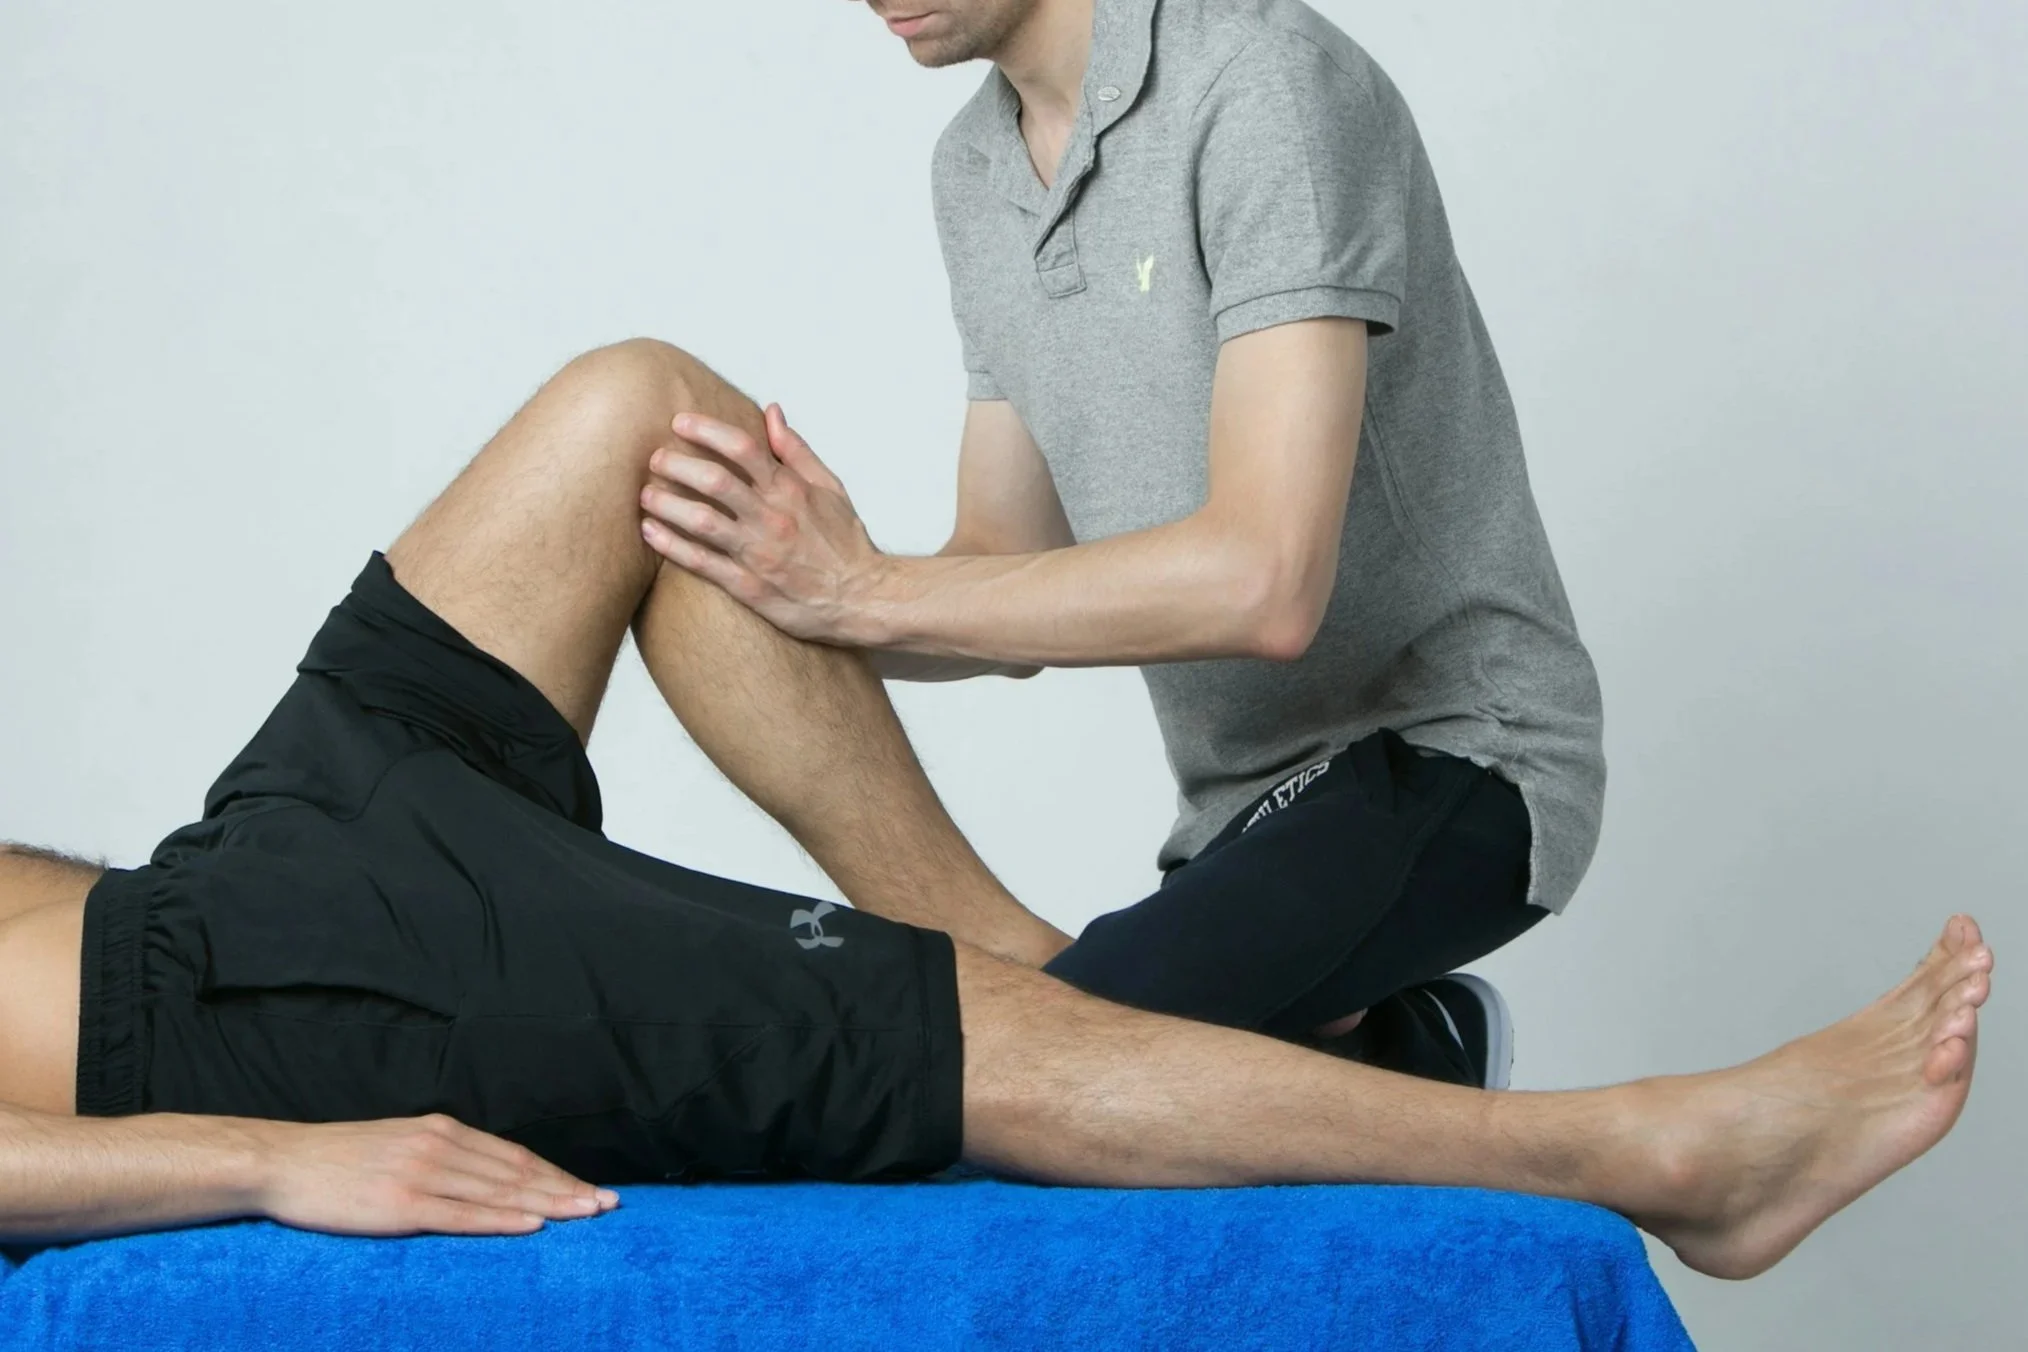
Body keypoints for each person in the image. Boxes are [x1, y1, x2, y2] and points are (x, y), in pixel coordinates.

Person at [0, 340, 1993, 1282]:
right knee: (929, 1053)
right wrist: (269, 1154)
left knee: (645, 427)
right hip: (249, 1015)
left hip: (244, 863)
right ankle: (1665, 1158)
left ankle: (1040, 978)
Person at [644, 0, 1604, 1088]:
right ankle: (1397, 1048)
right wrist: (773, 580)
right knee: (1057, 1073)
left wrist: (863, 589)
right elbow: (999, 565)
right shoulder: (972, 167)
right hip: (1237, 816)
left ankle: (1413, 1052)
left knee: (1031, 1072)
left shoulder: (1266, 83)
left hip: (1462, 750)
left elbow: (1267, 583)